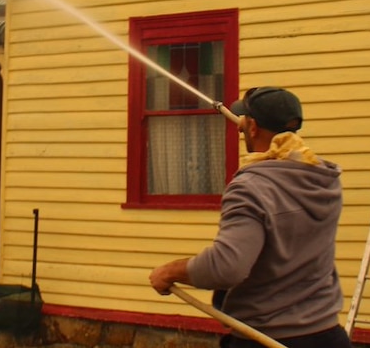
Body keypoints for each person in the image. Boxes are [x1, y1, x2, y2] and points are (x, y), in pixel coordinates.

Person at [148, 86, 352, 348]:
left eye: (244, 122)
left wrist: (170, 271)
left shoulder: (251, 187)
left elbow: (227, 267)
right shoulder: (323, 179)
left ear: (252, 127)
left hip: (266, 339)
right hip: (328, 336)